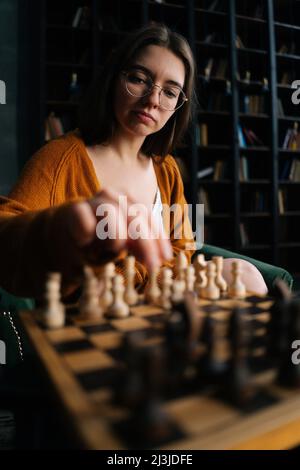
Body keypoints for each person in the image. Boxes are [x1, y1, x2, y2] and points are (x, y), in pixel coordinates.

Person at [0, 23, 267, 302]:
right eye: (139, 79)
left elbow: (184, 245)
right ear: (114, 79)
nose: (152, 99)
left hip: (161, 304)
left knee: (248, 275)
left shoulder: (168, 169)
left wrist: (151, 280)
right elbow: (5, 245)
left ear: (179, 106)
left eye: (170, 92)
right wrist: (62, 230)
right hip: (93, 318)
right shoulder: (59, 159)